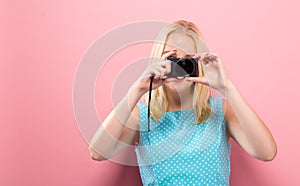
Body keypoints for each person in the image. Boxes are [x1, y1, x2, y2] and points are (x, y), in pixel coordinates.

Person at [88, 20, 277, 185]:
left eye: (188, 61)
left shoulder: (220, 111)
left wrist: (227, 87)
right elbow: (97, 152)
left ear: (200, 64)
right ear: (158, 60)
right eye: (172, 59)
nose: (179, 68)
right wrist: (138, 89)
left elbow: (266, 153)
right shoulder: (143, 115)